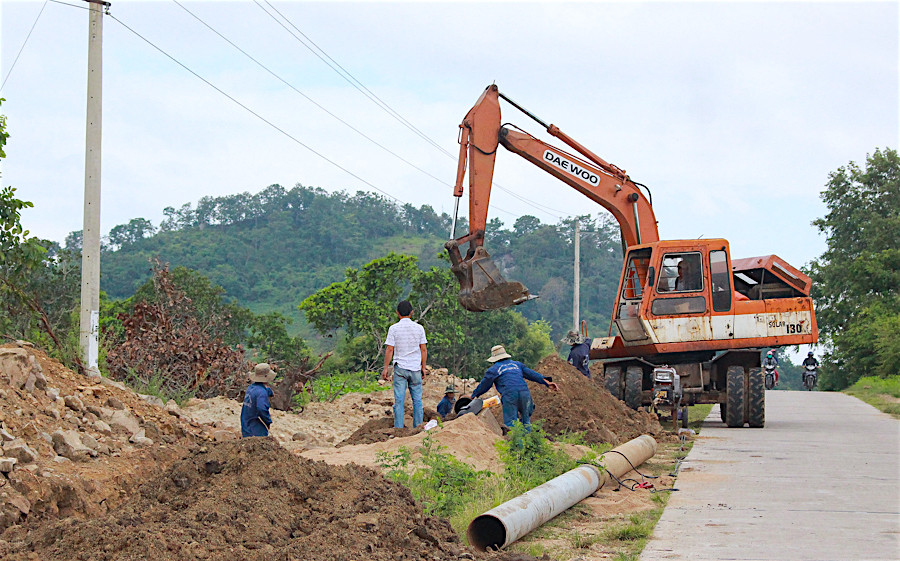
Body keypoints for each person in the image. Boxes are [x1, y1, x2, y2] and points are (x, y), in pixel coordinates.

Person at [470, 345, 559, 429]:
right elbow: (532, 374)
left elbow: (484, 385)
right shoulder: (517, 365)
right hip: (525, 393)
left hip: (510, 395)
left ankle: (516, 443)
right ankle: (527, 442)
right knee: (526, 421)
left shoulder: (493, 370)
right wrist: (547, 383)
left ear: (494, 359)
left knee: (511, 424)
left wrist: (474, 395)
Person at [381, 300, 428, 428]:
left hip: (400, 368)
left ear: (397, 313)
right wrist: (423, 367)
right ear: (412, 312)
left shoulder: (393, 329)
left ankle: (398, 428)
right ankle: (418, 427)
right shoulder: (419, 328)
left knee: (399, 400)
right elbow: (423, 349)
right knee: (417, 400)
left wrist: (386, 368)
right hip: (415, 368)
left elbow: (390, 349)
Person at [241, 363, 275, 437]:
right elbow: (261, 408)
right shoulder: (262, 392)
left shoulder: (250, 388)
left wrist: (269, 392)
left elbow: (258, 392)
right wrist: (268, 421)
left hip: (246, 424)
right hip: (255, 428)